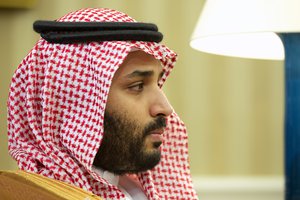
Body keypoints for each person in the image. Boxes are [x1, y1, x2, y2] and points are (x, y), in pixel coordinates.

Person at [7, 8, 197, 199]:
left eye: (157, 83)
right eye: (138, 86)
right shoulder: (30, 195)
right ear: (77, 103)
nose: (165, 108)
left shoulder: (137, 191)